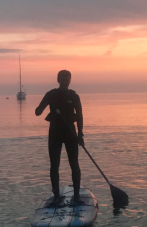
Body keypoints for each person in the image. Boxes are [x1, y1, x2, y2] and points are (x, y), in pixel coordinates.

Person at [35, 70, 84, 205]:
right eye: (62, 78)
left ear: (70, 80)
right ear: (58, 80)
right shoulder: (51, 94)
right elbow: (38, 112)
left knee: (74, 164)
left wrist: (80, 135)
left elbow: (79, 116)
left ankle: (76, 196)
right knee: (54, 165)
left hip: (70, 133)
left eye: (67, 78)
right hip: (55, 133)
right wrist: (39, 109)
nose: (64, 80)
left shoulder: (74, 96)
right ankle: (56, 196)